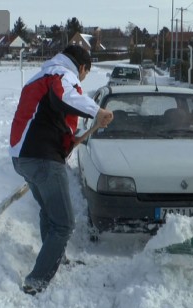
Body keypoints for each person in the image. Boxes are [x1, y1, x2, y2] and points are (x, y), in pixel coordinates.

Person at [9, 45, 114, 295]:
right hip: (41, 158)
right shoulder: (61, 74)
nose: (82, 79)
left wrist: (71, 141)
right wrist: (96, 111)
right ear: (81, 67)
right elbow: (63, 97)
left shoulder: (42, 75)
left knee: (49, 212)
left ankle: (57, 257)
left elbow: (50, 120)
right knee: (64, 223)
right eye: (85, 74)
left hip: (24, 156)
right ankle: (36, 280)